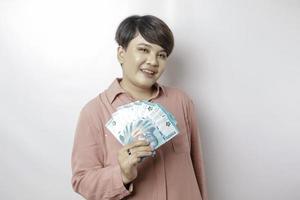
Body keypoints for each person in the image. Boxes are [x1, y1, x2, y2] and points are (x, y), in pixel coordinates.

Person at [71, 14, 208, 200]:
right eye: (144, 50)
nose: (153, 61)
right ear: (121, 53)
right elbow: (82, 181)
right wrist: (122, 174)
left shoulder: (181, 102)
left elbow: (197, 169)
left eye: (162, 55)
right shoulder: (94, 112)